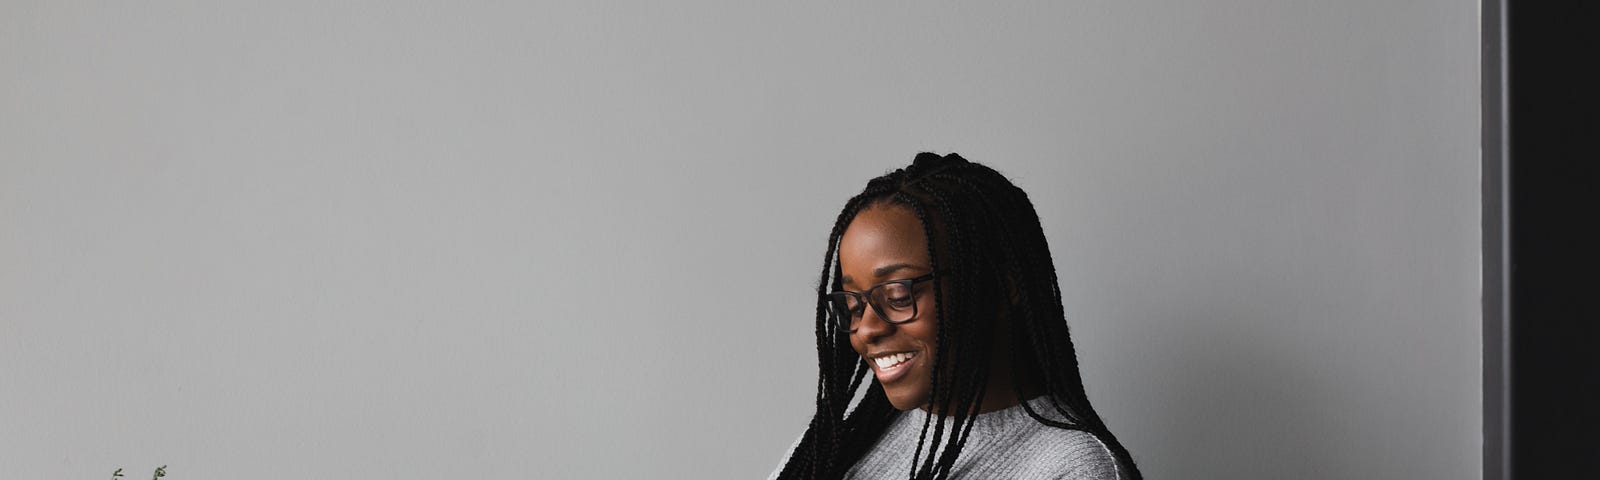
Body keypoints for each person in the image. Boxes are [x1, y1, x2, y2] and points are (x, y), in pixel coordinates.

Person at [767, 153, 1143, 480]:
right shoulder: (836, 447)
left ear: (997, 286)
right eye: (853, 304)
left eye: (898, 294)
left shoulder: (1073, 469)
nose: (866, 329)